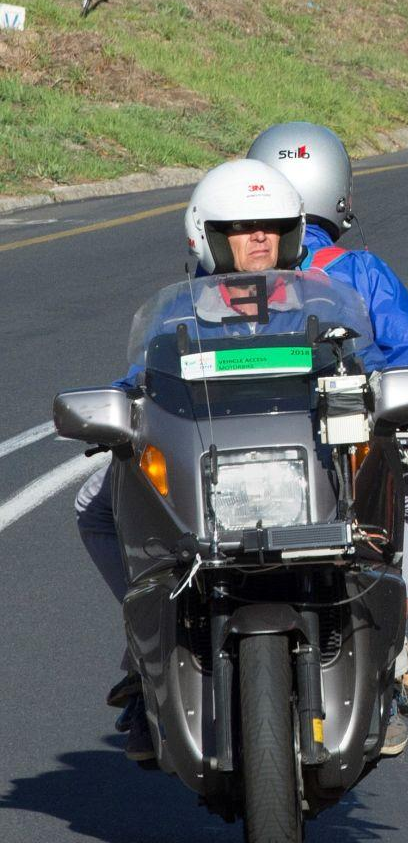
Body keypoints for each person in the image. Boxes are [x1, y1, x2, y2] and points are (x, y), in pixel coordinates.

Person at [81, 162, 308, 759]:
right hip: (212, 475)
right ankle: (147, 636)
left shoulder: (320, 308)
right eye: (240, 226)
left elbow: (367, 365)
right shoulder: (175, 313)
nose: (259, 237)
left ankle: (390, 649)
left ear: (294, 232)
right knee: (94, 505)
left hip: (302, 471)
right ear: (206, 235)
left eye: (272, 226)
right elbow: (139, 382)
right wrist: (119, 410)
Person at [248, 121, 408, 734]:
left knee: (99, 504)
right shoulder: (360, 270)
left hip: (237, 462)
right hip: (340, 453)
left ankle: (144, 656)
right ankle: (393, 651)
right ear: (336, 189)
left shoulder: (221, 274)